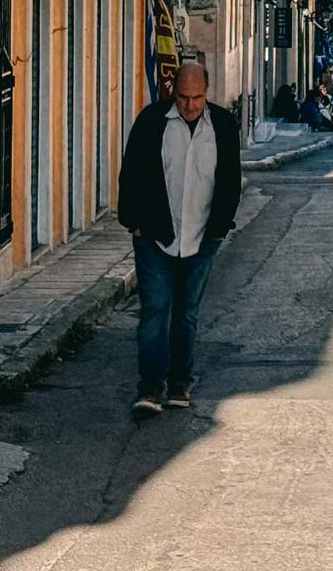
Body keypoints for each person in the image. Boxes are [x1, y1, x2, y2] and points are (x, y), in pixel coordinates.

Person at [117, 62, 242, 418]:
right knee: (155, 312)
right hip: (156, 236)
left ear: (207, 92)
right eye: (184, 97)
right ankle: (150, 387)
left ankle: (179, 382)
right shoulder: (152, 121)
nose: (190, 105)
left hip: (202, 237)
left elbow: (231, 179)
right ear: (174, 91)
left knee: (186, 314)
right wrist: (135, 224)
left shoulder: (222, 126)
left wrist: (220, 227)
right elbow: (132, 174)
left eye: (197, 98)